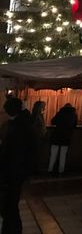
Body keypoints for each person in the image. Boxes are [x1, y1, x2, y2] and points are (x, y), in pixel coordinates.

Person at [0, 97, 36, 233]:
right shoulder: (22, 123)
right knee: (11, 203)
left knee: (10, 203)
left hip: (14, 170)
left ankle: (12, 229)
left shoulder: (18, 126)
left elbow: (13, 151)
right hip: (17, 170)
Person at [48, 103, 78, 175]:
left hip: (57, 135)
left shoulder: (60, 113)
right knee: (63, 155)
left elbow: (53, 121)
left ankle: (50, 169)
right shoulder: (74, 115)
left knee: (53, 154)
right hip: (66, 137)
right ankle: (61, 170)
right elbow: (74, 126)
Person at [31, 101, 47, 172]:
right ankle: (35, 169)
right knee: (36, 153)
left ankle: (36, 168)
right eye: (43, 106)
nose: (44, 108)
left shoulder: (39, 115)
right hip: (37, 137)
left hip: (40, 136)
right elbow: (33, 127)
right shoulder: (36, 115)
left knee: (38, 153)